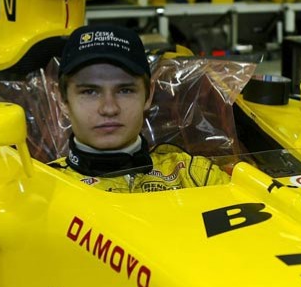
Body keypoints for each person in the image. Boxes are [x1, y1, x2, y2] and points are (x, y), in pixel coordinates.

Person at [51, 24, 231, 193]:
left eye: (125, 90)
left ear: (148, 94)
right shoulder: (40, 187)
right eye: (90, 92)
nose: (109, 108)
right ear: (63, 100)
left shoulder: (196, 178)